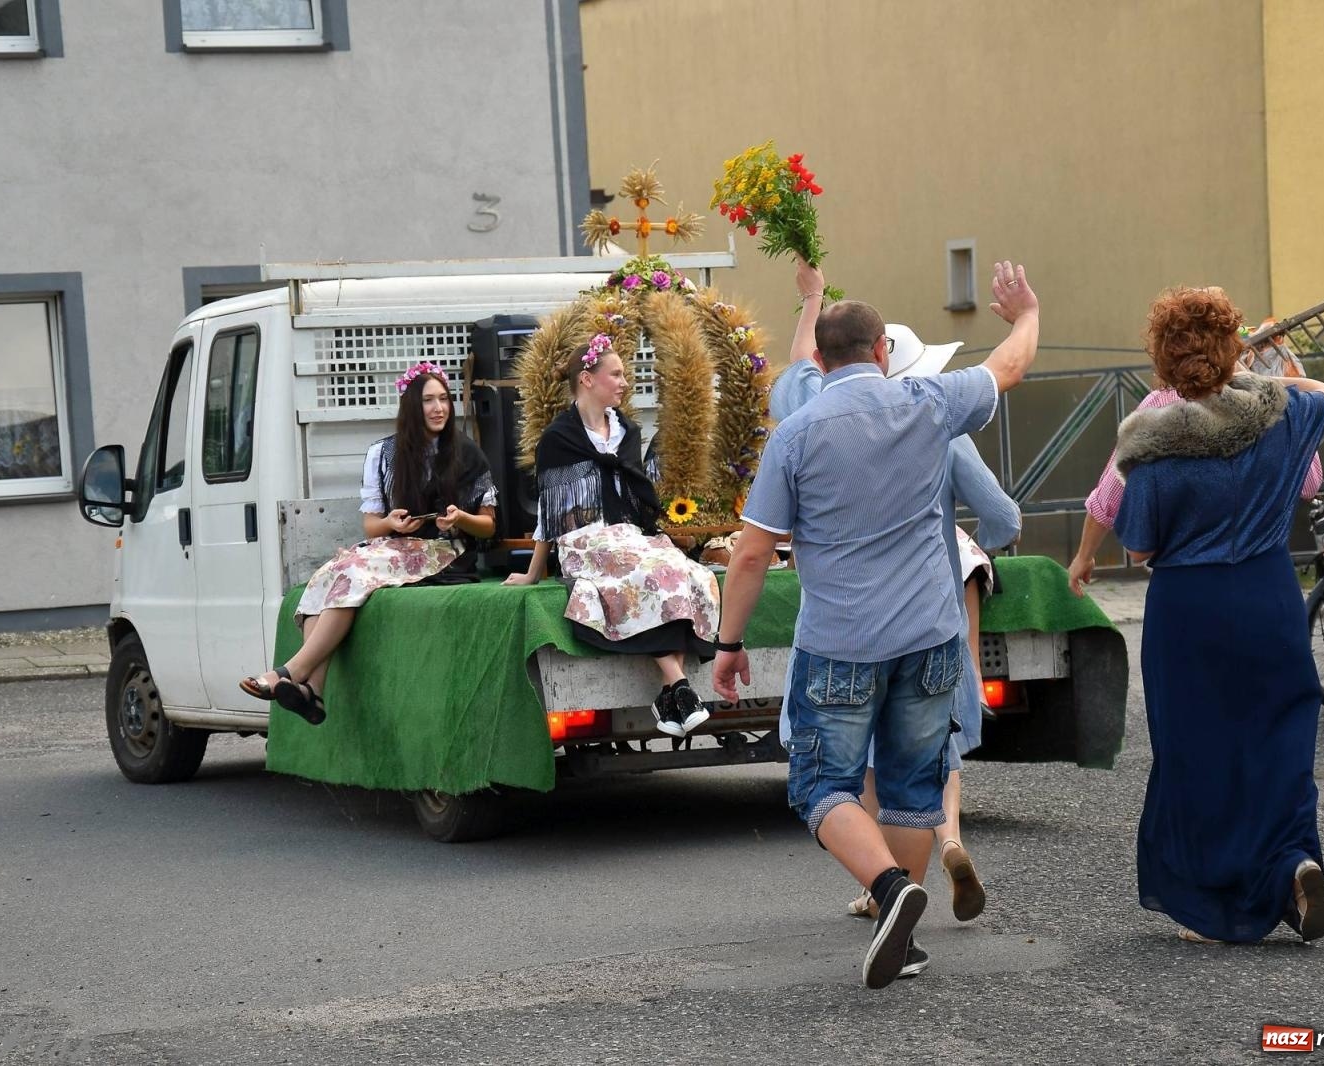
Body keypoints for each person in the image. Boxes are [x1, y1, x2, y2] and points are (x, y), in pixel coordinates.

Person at [714, 261, 1040, 988]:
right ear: (883, 353)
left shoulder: (794, 436)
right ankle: (908, 933)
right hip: (930, 637)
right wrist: (1025, 312)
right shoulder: (928, 403)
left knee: (820, 785)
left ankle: (890, 891)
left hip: (840, 644)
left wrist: (729, 644)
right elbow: (1010, 365)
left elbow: (750, 556)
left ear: (822, 363)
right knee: (914, 789)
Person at [770, 259, 1020, 925]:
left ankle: (885, 887)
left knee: (859, 764)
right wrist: (968, 548)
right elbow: (1003, 516)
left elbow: (798, 370)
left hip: (847, 627)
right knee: (931, 748)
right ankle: (950, 841)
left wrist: (813, 297)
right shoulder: (940, 422)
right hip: (932, 618)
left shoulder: (810, 414)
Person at [1110, 286, 1324, 944]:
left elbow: (1140, 544)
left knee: (1198, 752)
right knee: (1278, 740)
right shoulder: (1283, 414)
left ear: (1161, 357)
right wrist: (1245, 369)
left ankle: (1213, 911)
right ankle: (1294, 861)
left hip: (1189, 608)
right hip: (1269, 595)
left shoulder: (1151, 441)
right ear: (1232, 346)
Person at [240, 362, 498, 724]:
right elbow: (371, 526)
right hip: (396, 547)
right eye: (428, 400)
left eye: (444, 399)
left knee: (355, 576)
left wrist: (461, 519)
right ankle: (313, 690)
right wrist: (391, 523)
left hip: (444, 553)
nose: (439, 408)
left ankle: (292, 671)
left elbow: (488, 526)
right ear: (411, 406)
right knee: (330, 572)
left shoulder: (467, 453)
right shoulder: (383, 453)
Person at [504, 336, 720, 738]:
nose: (624, 382)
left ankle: (673, 690)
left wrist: (652, 538)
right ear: (587, 378)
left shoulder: (627, 433)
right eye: (616, 374)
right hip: (584, 542)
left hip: (629, 536)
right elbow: (551, 515)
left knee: (687, 573)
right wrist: (533, 573)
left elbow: (636, 496)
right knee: (652, 575)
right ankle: (677, 683)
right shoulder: (558, 439)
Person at [1068, 325, 1322, 597]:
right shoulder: (1265, 407)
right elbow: (1310, 485)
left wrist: (1085, 555)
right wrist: (1264, 386)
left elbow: (1110, 497)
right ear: (1231, 351)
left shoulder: (1157, 407)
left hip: (1187, 583)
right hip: (1264, 579)